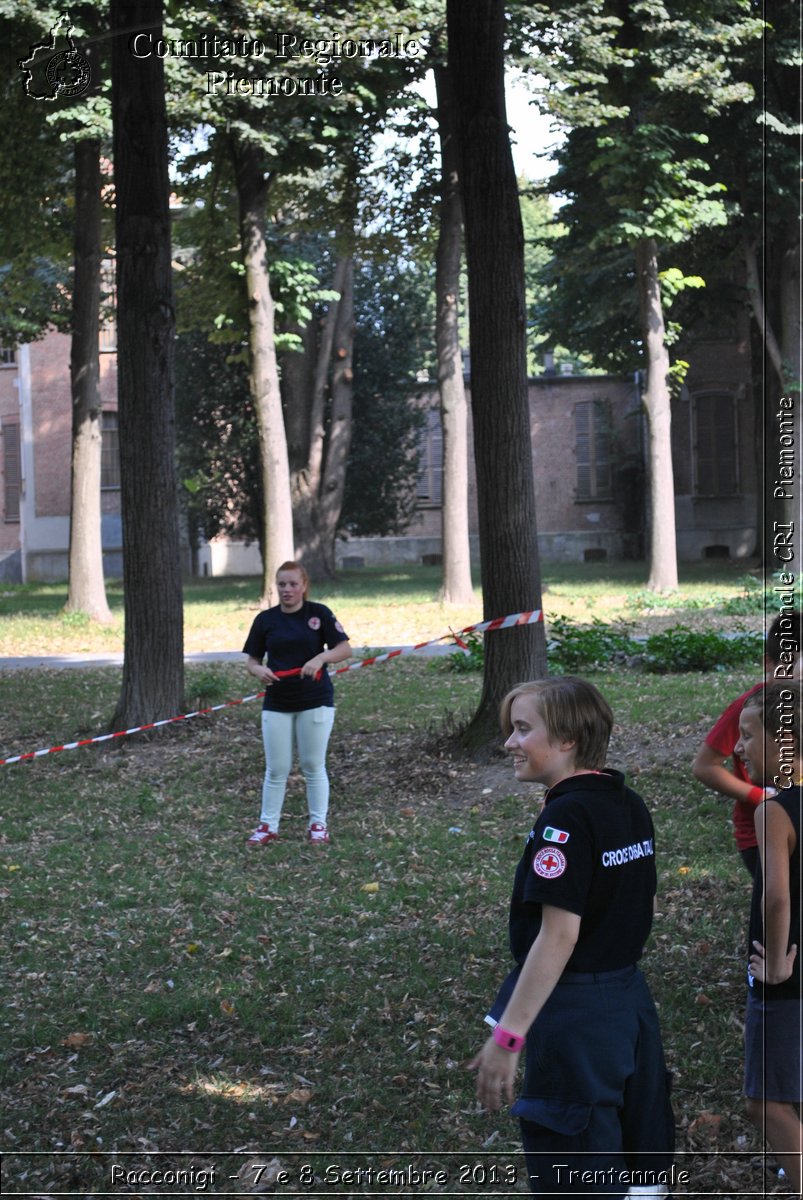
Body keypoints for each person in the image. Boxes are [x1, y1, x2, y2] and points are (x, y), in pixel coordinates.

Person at [469, 677, 674, 1197]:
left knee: (576, 1169)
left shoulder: (565, 816)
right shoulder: (627, 803)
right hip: (628, 1007)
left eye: (521, 729)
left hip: (577, 1017)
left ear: (566, 739)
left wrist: (508, 1035)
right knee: (639, 1152)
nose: (509, 743)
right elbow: (643, 901)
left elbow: (559, 936)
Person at [735, 680, 801, 1195]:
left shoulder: (772, 811)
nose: (737, 748)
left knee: (766, 1101)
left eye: (748, 735)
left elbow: (776, 896)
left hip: (786, 976)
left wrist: (775, 963)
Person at [243, 561, 351, 846]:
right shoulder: (265, 620)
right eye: (282, 584)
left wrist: (321, 658)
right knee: (276, 768)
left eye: (293, 584)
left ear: (304, 586)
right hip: (277, 701)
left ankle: (318, 824)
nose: (287, 590)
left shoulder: (319, 614)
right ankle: (268, 825)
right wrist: (257, 670)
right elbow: (252, 661)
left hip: (315, 701)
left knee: (312, 765)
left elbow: (344, 648)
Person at [692, 611, 802, 876]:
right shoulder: (750, 710)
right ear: (769, 664)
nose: (798, 679)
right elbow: (704, 766)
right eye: (791, 667)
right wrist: (760, 796)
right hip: (760, 833)